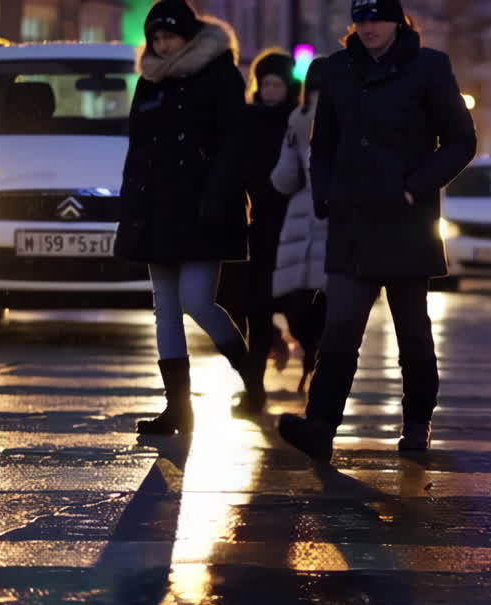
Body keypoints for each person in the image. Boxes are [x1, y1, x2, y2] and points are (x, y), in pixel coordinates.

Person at [276, 0, 477, 461]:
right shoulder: (336, 69)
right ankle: (321, 426)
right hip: (352, 219)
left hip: (406, 220)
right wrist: (324, 193)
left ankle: (416, 422)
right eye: (361, 20)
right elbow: (322, 142)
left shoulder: (428, 66)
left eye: (377, 19)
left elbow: (461, 141)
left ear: (397, 22)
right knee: (340, 326)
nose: (368, 28)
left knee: (413, 331)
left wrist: (415, 189)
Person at [116, 0, 262, 435]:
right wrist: (132, 204)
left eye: (170, 37)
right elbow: (137, 151)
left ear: (189, 35)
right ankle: (177, 407)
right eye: (156, 39)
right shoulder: (150, 82)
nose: (162, 46)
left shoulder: (219, 75)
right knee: (165, 308)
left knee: (197, 300)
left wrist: (219, 198)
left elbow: (235, 145)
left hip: (203, 207)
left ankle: (251, 375)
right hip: (157, 207)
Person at [218, 49, 299, 409]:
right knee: (253, 304)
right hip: (259, 223)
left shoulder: (297, 120)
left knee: (297, 303)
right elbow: (235, 165)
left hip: (294, 224)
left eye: (275, 84)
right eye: (264, 83)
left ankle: (293, 361)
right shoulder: (247, 119)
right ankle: (255, 386)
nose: (268, 90)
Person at [272, 56, 331, 395]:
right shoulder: (299, 119)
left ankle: (314, 372)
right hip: (310, 222)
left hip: (313, 221)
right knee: (315, 312)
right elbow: (286, 176)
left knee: (306, 312)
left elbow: (283, 179)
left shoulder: (306, 117)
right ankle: (314, 370)